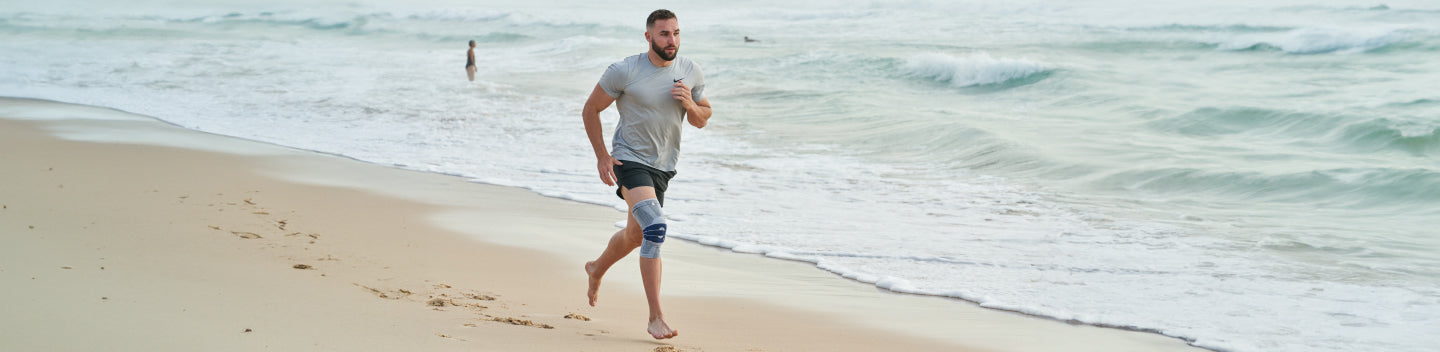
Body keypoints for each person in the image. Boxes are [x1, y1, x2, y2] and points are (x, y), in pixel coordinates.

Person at [580, 9, 711, 340]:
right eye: (665, 34)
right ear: (649, 36)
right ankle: (655, 317)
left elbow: (702, 117)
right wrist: (602, 157)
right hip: (629, 160)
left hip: (663, 167)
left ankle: (596, 268)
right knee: (655, 228)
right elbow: (591, 108)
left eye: (676, 33)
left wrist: (690, 104)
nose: (672, 40)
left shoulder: (689, 71)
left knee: (635, 236)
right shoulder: (625, 70)